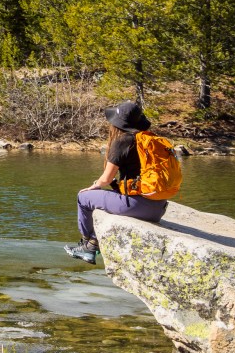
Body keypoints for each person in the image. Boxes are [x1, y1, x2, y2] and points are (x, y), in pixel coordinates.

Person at [65, 100, 169, 263]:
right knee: (113, 193)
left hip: (137, 206)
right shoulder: (150, 140)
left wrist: (94, 186)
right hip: (158, 208)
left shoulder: (123, 141)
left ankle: (88, 245)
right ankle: (93, 243)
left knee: (83, 198)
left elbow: (105, 179)